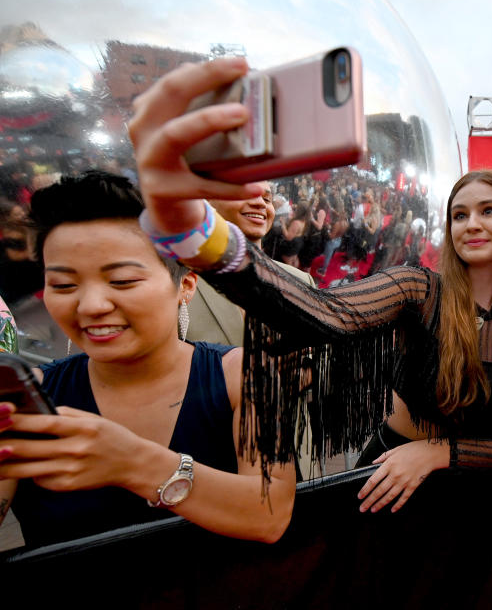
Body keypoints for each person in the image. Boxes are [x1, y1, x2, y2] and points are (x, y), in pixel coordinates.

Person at [126, 58, 492, 607]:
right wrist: (202, 236)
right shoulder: (419, 290)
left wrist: (441, 453)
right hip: (400, 500)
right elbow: (323, 313)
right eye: (459, 215)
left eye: (489, 210)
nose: (472, 225)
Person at [0, 171, 295, 548]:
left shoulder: (250, 374)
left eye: (122, 281)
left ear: (185, 286)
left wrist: (131, 461)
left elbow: (269, 516)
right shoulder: (32, 401)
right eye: (64, 285)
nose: (90, 306)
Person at [187, 184, 315, 347]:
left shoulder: (302, 282)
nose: (260, 203)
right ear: (207, 201)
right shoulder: (180, 283)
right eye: (243, 194)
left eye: (267, 199)